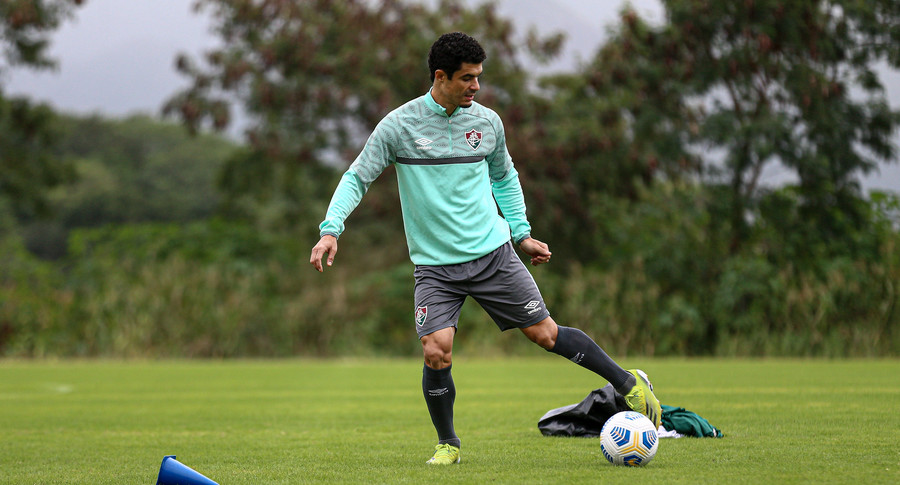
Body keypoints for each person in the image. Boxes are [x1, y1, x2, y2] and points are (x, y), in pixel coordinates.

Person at [310, 31, 661, 465]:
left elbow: (505, 177)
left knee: (546, 334)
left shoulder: (488, 123)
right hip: (435, 268)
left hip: (493, 255)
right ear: (440, 77)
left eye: (478, 77)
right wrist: (331, 229)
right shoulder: (399, 126)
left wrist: (521, 233)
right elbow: (357, 176)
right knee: (436, 349)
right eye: (467, 78)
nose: (476, 86)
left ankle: (628, 384)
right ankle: (448, 444)